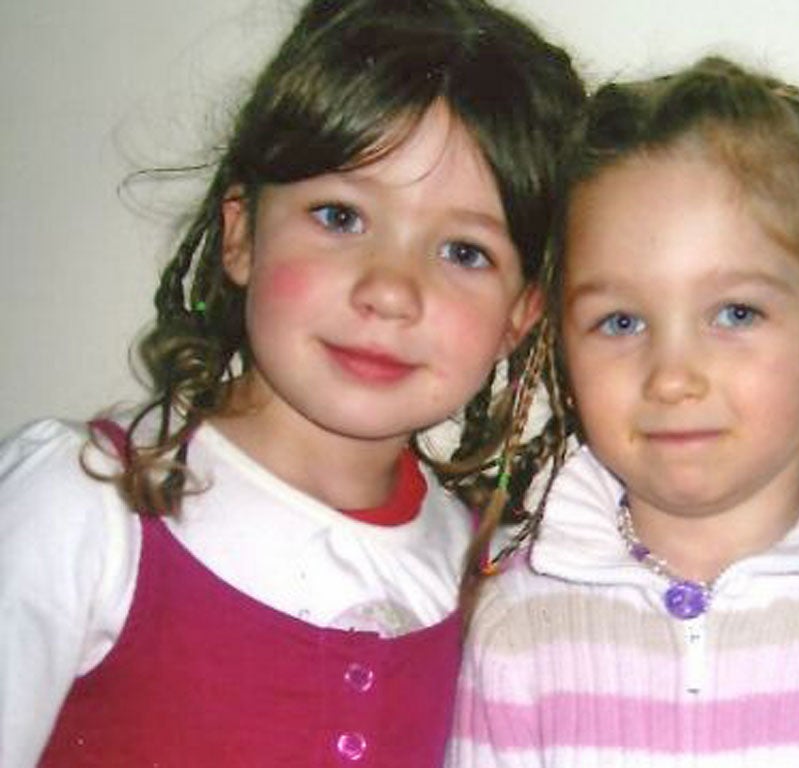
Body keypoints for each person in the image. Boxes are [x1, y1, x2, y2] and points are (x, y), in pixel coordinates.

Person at [0, 1, 584, 765]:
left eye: (464, 253)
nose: (390, 290)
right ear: (242, 233)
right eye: (340, 216)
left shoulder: (490, 583)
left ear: (520, 315)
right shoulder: (85, 504)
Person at [447, 56, 799, 766]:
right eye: (621, 321)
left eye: (736, 313)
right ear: (565, 349)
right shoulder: (518, 629)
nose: (673, 377)